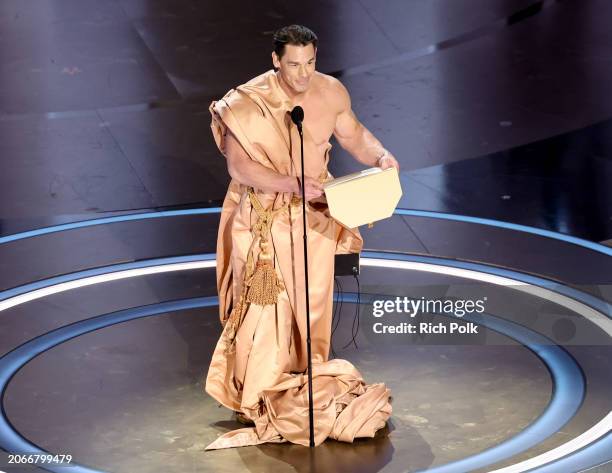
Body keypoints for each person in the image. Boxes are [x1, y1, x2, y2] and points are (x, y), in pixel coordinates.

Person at [204, 24, 398, 450]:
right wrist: (293, 184)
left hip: (315, 216)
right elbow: (240, 168)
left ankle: (303, 375)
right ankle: (256, 391)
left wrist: (381, 156)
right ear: (276, 61)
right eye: (293, 65)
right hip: (263, 219)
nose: (303, 74)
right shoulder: (246, 103)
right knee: (263, 309)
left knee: (312, 305)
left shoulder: (330, 92)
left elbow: (353, 135)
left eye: (310, 63)